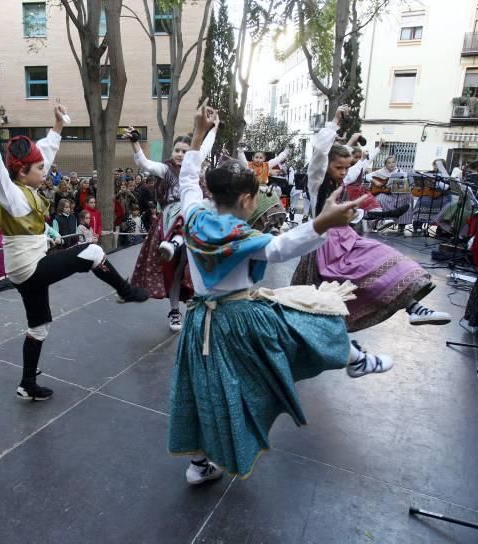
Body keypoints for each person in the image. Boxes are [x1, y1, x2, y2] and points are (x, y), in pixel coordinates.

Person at [169, 101, 393, 485]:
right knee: (307, 321)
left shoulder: (192, 215)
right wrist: (322, 222)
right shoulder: (244, 236)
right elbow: (280, 248)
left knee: (203, 387)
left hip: (198, 324)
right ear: (245, 200)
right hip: (237, 320)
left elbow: (188, 181)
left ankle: (199, 462)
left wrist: (197, 132)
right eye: (256, 198)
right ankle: (353, 358)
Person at [0, 102, 147, 402]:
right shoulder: (11, 194)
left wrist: (58, 125)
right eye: (39, 168)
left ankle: (26, 384)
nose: (45, 169)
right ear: (21, 171)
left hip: (27, 268)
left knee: (39, 326)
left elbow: (45, 152)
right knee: (93, 252)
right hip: (29, 268)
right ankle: (125, 290)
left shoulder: (26, 186)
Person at [292, 104, 451, 335]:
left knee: (385, 260)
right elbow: (320, 154)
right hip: (324, 246)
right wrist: (335, 121)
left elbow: (356, 167)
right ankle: (340, 349)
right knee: (318, 305)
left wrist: (362, 212)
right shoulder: (317, 182)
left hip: (347, 239)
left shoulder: (343, 179)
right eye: (339, 167)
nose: (344, 172)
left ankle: (414, 307)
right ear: (326, 166)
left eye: (347, 168)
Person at [125, 122, 217, 332]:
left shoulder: (195, 167)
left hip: (197, 223)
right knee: (175, 272)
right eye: (177, 150)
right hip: (171, 220)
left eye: (185, 152)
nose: (180, 155)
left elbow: (206, 146)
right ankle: (175, 310)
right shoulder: (166, 169)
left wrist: (214, 127)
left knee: (193, 268)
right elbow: (146, 164)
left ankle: (201, 305)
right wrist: (135, 143)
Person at [366, 155, 413, 233]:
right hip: (385, 193)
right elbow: (367, 176)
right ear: (385, 164)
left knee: (409, 197)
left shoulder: (400, 172)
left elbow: (404, 186)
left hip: (396, 193)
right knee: (379, 199)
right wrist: (375, 181)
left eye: (393, 162)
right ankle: (378, 221)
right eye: (389, 163)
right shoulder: (380, 172)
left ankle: (402, 225)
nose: (392, 164)